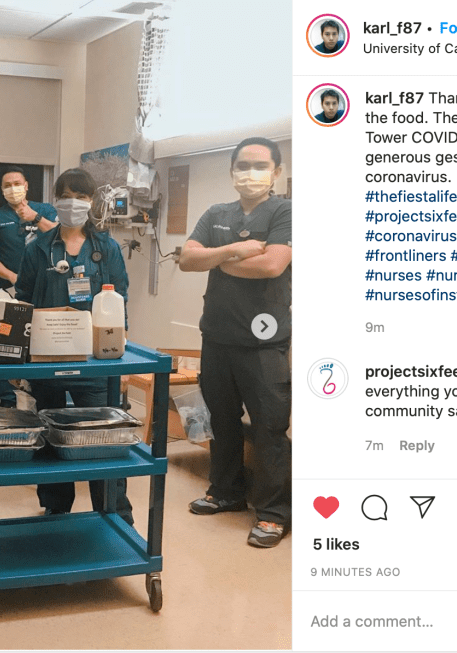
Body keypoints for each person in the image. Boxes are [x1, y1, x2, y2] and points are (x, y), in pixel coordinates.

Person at [179, 137, 292, 548]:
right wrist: (235, 250)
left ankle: (273, 514)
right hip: (218, 335)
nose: (250, 173)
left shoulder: (285, 211)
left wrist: (215, 258)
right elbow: (187, 259)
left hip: (264, 344)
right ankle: (225, 492)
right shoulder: (216, 213)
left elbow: (272, 264)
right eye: (242, 165)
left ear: (276, 172)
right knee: (220, 421)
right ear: (231, 171)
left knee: (268, 428)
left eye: (261, 166)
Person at [15, 168, 134, 526]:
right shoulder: (38, 248)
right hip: (47, 358)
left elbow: (121, 299)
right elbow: (23, 298)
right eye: (67, 196)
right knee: (50, 436)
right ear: (56, 201)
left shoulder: (107, 248)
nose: (74, 203)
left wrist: (118, 360)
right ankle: (55, 505)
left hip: (94, 362)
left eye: (82, 197)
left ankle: (114, 512)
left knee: (100, 438)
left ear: (92, 202)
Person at [0, 166, 57, 407]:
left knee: (43, 344)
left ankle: (45, 398)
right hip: (10, 292)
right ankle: (7, 400)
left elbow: (61, 236)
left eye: (17, 183)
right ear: (2, 190)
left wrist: (34, 217)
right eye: (7, 185)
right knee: (6, 345)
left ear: (26, 186)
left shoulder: (45, 210)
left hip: (46, 291)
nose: (12, 188)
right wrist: (13, 277)